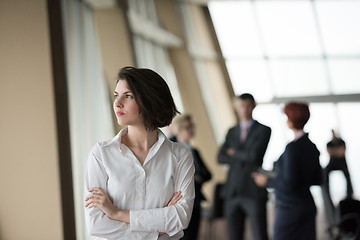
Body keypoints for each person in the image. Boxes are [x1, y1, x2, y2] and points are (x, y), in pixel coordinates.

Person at [84, 66, 195, 239]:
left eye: (128, 96)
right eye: (116, 95)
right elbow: (96, 225)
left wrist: (117, 214)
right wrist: (159, 229)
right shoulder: (101, 155)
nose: (117, 103)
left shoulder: (180, 156)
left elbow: (181, 218)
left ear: (149, 100)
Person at [253, 102, 322, 240]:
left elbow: (289, 182)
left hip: (290, 208)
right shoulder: (312, 146)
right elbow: (318, 179)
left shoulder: (292, 148)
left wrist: (267, 181)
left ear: (291, 119)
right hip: (307, 205)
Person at [217, 93, 271, 240]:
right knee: (234, 235)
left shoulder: (264, 130)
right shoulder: (231, 131)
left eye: (247, 106)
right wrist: (243, 154)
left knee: (260, 234)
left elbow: (254, 157)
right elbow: (220, 157)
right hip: (232, 191)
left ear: (253, 106)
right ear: (236, 107)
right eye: (241, 106)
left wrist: (233, 152)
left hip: (253, 189)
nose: (244, 110)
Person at [170, 114, 212, 240]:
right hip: (178, 201)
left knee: (193, 236)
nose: (191, 130)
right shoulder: (170, 148)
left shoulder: (194, 150)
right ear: (179, 129)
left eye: (192, 126)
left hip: (196, 201)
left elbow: (208, 175)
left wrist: (196, 177)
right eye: (188, 127)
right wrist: (192, 177)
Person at [325, 129, 353, 199]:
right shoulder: (329, 143)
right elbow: (330, 152)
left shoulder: (341, 142)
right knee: (324, 172)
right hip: (332, 163)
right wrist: (337, 151)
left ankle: (349, 194)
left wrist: (334, 152)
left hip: (342, 163)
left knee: (347, 176)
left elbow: (342, 151)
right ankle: (326, 194)